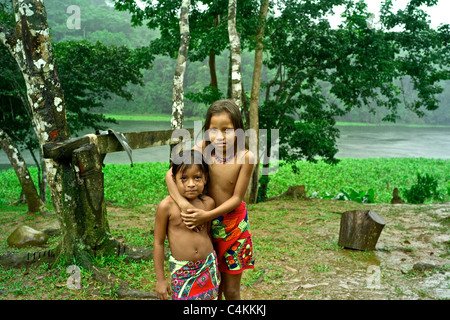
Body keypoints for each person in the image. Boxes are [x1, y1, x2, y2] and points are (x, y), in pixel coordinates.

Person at [165, 99, 255, 300]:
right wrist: (184, 204)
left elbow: (236, 198)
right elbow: (170, 175)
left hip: (233, 227)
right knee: (214, 286)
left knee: (231, 290)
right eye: (213, 129)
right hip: (203, 227)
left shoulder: (246, 156)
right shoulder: (203, 148)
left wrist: (207, 215)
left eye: (227, 130)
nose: (220, 136)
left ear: (238, 130)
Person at [154, 150, 220, 300]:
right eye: (184, 178)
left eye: (197, 178)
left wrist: (216, 267)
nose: (191, 184)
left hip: (208, 265)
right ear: (174, 180)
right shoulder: (166, 207)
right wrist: (161, 280)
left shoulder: (209, 203)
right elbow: (158, 242)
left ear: (205, 178)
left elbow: (208, 234)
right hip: (182, 270)